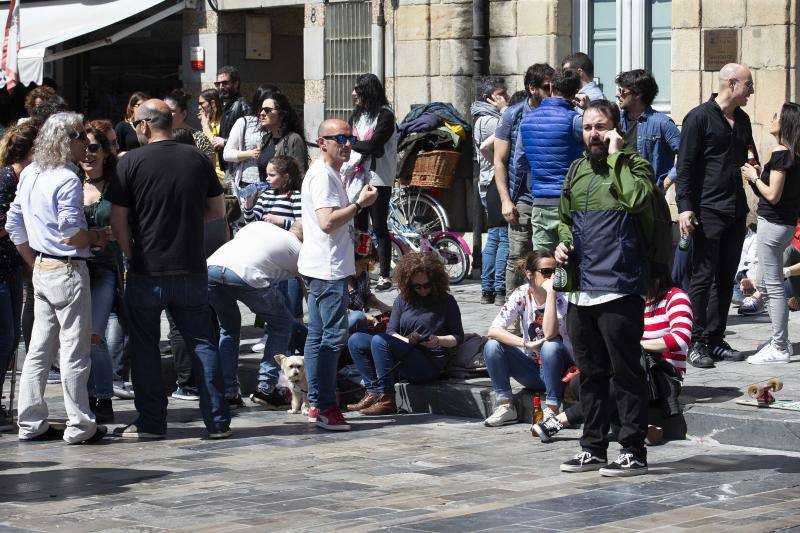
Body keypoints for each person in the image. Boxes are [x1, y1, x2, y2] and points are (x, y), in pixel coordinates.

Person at [106, 99, 231, 439]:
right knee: (203, 343)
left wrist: (133, 254)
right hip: (191, 267)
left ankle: (151, 423)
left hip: (148, 269)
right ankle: (218, 422)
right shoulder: (197, 158)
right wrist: (188, 220)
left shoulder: (129, 162)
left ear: (145, 126)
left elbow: (118, 222)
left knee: (145, 347)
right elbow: (218, 210)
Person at [555, 99, 654, 476]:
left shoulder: (636, 166)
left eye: (600, 127)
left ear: (616, 128)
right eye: (587, 128)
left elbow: (637, 199)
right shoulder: (577, 170)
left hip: (619, 285)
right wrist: (563, 241)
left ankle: (633, 450)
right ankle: (592, 447)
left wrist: (615, 157)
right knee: (591, 373)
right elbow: (565, 219)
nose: (593, 134)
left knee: (625, 371)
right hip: (582, 287)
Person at [5, 112, 109, 444]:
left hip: (43, 269)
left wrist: (33, 260)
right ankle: (79, 424)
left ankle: (32, 421)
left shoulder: (32, 172)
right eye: (81, 137)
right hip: (66, 269)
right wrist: (96, 236)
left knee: (38, 349)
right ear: (66, 142)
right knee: (73, 350)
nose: (86, 143)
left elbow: (13, 224)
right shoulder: (65, 177)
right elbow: (70, 232)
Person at [533, 263, 693, 442]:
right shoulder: (633, 300)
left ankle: (559, 422)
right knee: (581, 383)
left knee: (615, 383)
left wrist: (636, 345)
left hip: (662, 375)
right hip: (629, 365)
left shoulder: (676, 297)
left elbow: (680, 339)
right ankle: (637, 428)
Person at [298, 118, 378, 431]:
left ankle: (317, 402)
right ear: (323, 143)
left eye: (350, 138)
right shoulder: (322, 176)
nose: (347, 144)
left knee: (318, 337)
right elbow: (327, 221)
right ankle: (326, 405)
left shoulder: (329, 173)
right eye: (340, 138)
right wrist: (360, 203)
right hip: (326, 270)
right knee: (330, 339)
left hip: (322, 266)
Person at [675, 63, 757, 369]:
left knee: (725, 278)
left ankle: (715, 337)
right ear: (732, 84)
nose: (751, 91)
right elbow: (685, 166)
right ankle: (696, 342)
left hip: (735, 209)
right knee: (702, 277)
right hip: (707, 210)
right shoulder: (698, 117)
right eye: (749, 85)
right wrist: (684, 207)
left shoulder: (743, 120)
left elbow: (748, 157)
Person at [347, 252, 464, 416]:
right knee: (356, 340)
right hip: (407, 352)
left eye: (427, 285)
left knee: (380, 341)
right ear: (409, 283)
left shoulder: (446, 301)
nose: (423, 289)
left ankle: (387, 399)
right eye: (417, 286)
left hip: (429, 362)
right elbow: (391, 331)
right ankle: (373, 390)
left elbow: (458, 337)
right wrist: (407, 340)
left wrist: (437, 340)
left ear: (436, 281)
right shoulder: (403, 300)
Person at [208, 222, 302, 406]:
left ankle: (229, 393)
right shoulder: (299, 249)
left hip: (212, 269)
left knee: (228, 329)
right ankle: (266, 388)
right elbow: (307, 285)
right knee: (282, 324)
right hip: (247, 275)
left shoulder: (259, 225)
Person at [482, 251, 572, 427]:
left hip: (562, 371)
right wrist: (526, 344)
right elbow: (493, 329)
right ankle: (506, 406)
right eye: (546, 272)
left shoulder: (564, 297)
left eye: (556, 271)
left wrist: (551, 294)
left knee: (550, 346)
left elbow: (550, 334)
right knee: (492, 346)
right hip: (534, 371)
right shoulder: (522, 294)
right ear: (529, 274)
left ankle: (553, 407)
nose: (552, 277)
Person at [741, 103, 800, 364]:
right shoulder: (793, 154)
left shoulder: (781, 152)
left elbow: (773, 196)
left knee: (773, 287)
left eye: (776, 116)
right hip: (784, 224)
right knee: (766, 283)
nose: (771, 118)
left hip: (773, 224)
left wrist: (754, 177)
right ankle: (779, 340)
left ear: (785, 123)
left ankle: (779, 346)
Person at [494, 63, 555, 293]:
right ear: (532, 88)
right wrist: (505, 200)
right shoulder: (513, 115)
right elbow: (499, 160)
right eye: (547, 87)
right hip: (523, 196)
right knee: (518, 256)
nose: (552, 92)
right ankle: (513, 314)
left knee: (546, 258)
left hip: (548, 194)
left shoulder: (556, 111)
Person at [82, 126, 123, 424]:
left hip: (105, 270)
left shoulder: (116, 186)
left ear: (106, 152)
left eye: (94, 148)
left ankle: (104, 397)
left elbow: (129, 228)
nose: (88, 153)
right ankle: (85, 396)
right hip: (73, 269)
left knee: (95, 334)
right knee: (77, 338)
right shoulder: (69, 183)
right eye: (83, 147)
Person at [518, 67, 584, 252]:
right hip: (571, 204)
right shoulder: (575, 120)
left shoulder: (527, 120)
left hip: (540, 202)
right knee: (571, 263)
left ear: (552, 87)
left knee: (544, 264)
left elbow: (520, 163)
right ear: (576, 92)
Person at [0, 121, 38, 431]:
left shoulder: (22, 179)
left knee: (12, 338)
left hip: (11, 267)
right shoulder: (6, 180)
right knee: (5, 337)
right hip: (1, 268)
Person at [349, 73, 398, 292]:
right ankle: (362, 268)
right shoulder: (357, 116)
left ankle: (385, 274)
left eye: (357, 90)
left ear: (368, 91)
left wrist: (354, 144)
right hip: (356, 176)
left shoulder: (385, 116)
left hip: (378, 178)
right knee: (359, 226)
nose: (353, 94)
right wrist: (361, 144)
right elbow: (356, 142)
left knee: (378, 225)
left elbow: (374, 145)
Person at [471, 76, 508, 305]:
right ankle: (498, 286)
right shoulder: (490, 121)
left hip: (488, 181)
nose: (505, 97)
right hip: (492, 181)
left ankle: (488, 288)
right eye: (500, 94)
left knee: (495, 235)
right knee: (502, 236)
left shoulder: (484, 118)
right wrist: (506, 111)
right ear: (489, 97)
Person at [615, 69, 681, 190]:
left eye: (622, 91)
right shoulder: (616, 121)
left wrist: (665, 183)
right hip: (619, 193)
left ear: (637, 94)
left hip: (649, 195)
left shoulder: (662, 123)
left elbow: (686, 155)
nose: (617, 95)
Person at [223, 86, 277, 192]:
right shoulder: (245, 122)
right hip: (247, 183)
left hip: (273, 183)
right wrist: (249, 153)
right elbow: (227, 153)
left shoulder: (277, 125)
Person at [255, 92, 309, 178]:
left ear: (281, 114)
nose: (262, 113)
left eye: (267, 110)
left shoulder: (294, 139)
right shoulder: (266, 139)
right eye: (261, 110)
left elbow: (300, 174)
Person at [214, 66, 252, 173]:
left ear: (236, 84)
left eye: (225, 83)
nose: (221, 87)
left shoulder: (244, 106)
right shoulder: (227, 105)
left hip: (240, 167)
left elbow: (250, 141)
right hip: (228, 165)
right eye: (218, 84)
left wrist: (224, 142)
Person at [164, 89, 215, 165]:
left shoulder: (200, 138)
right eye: (163, 110)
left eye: (171, 111)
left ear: (183, 114)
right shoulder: (159, 137)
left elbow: (210, 167)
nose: (165, 114)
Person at [198, 88, 225, 182]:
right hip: (210, 173)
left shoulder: (224, 121)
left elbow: (215, 146)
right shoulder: (207, 120)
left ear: (212, 103)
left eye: (202, 103)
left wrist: (206, 128)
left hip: (223, 176)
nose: (199, 107)